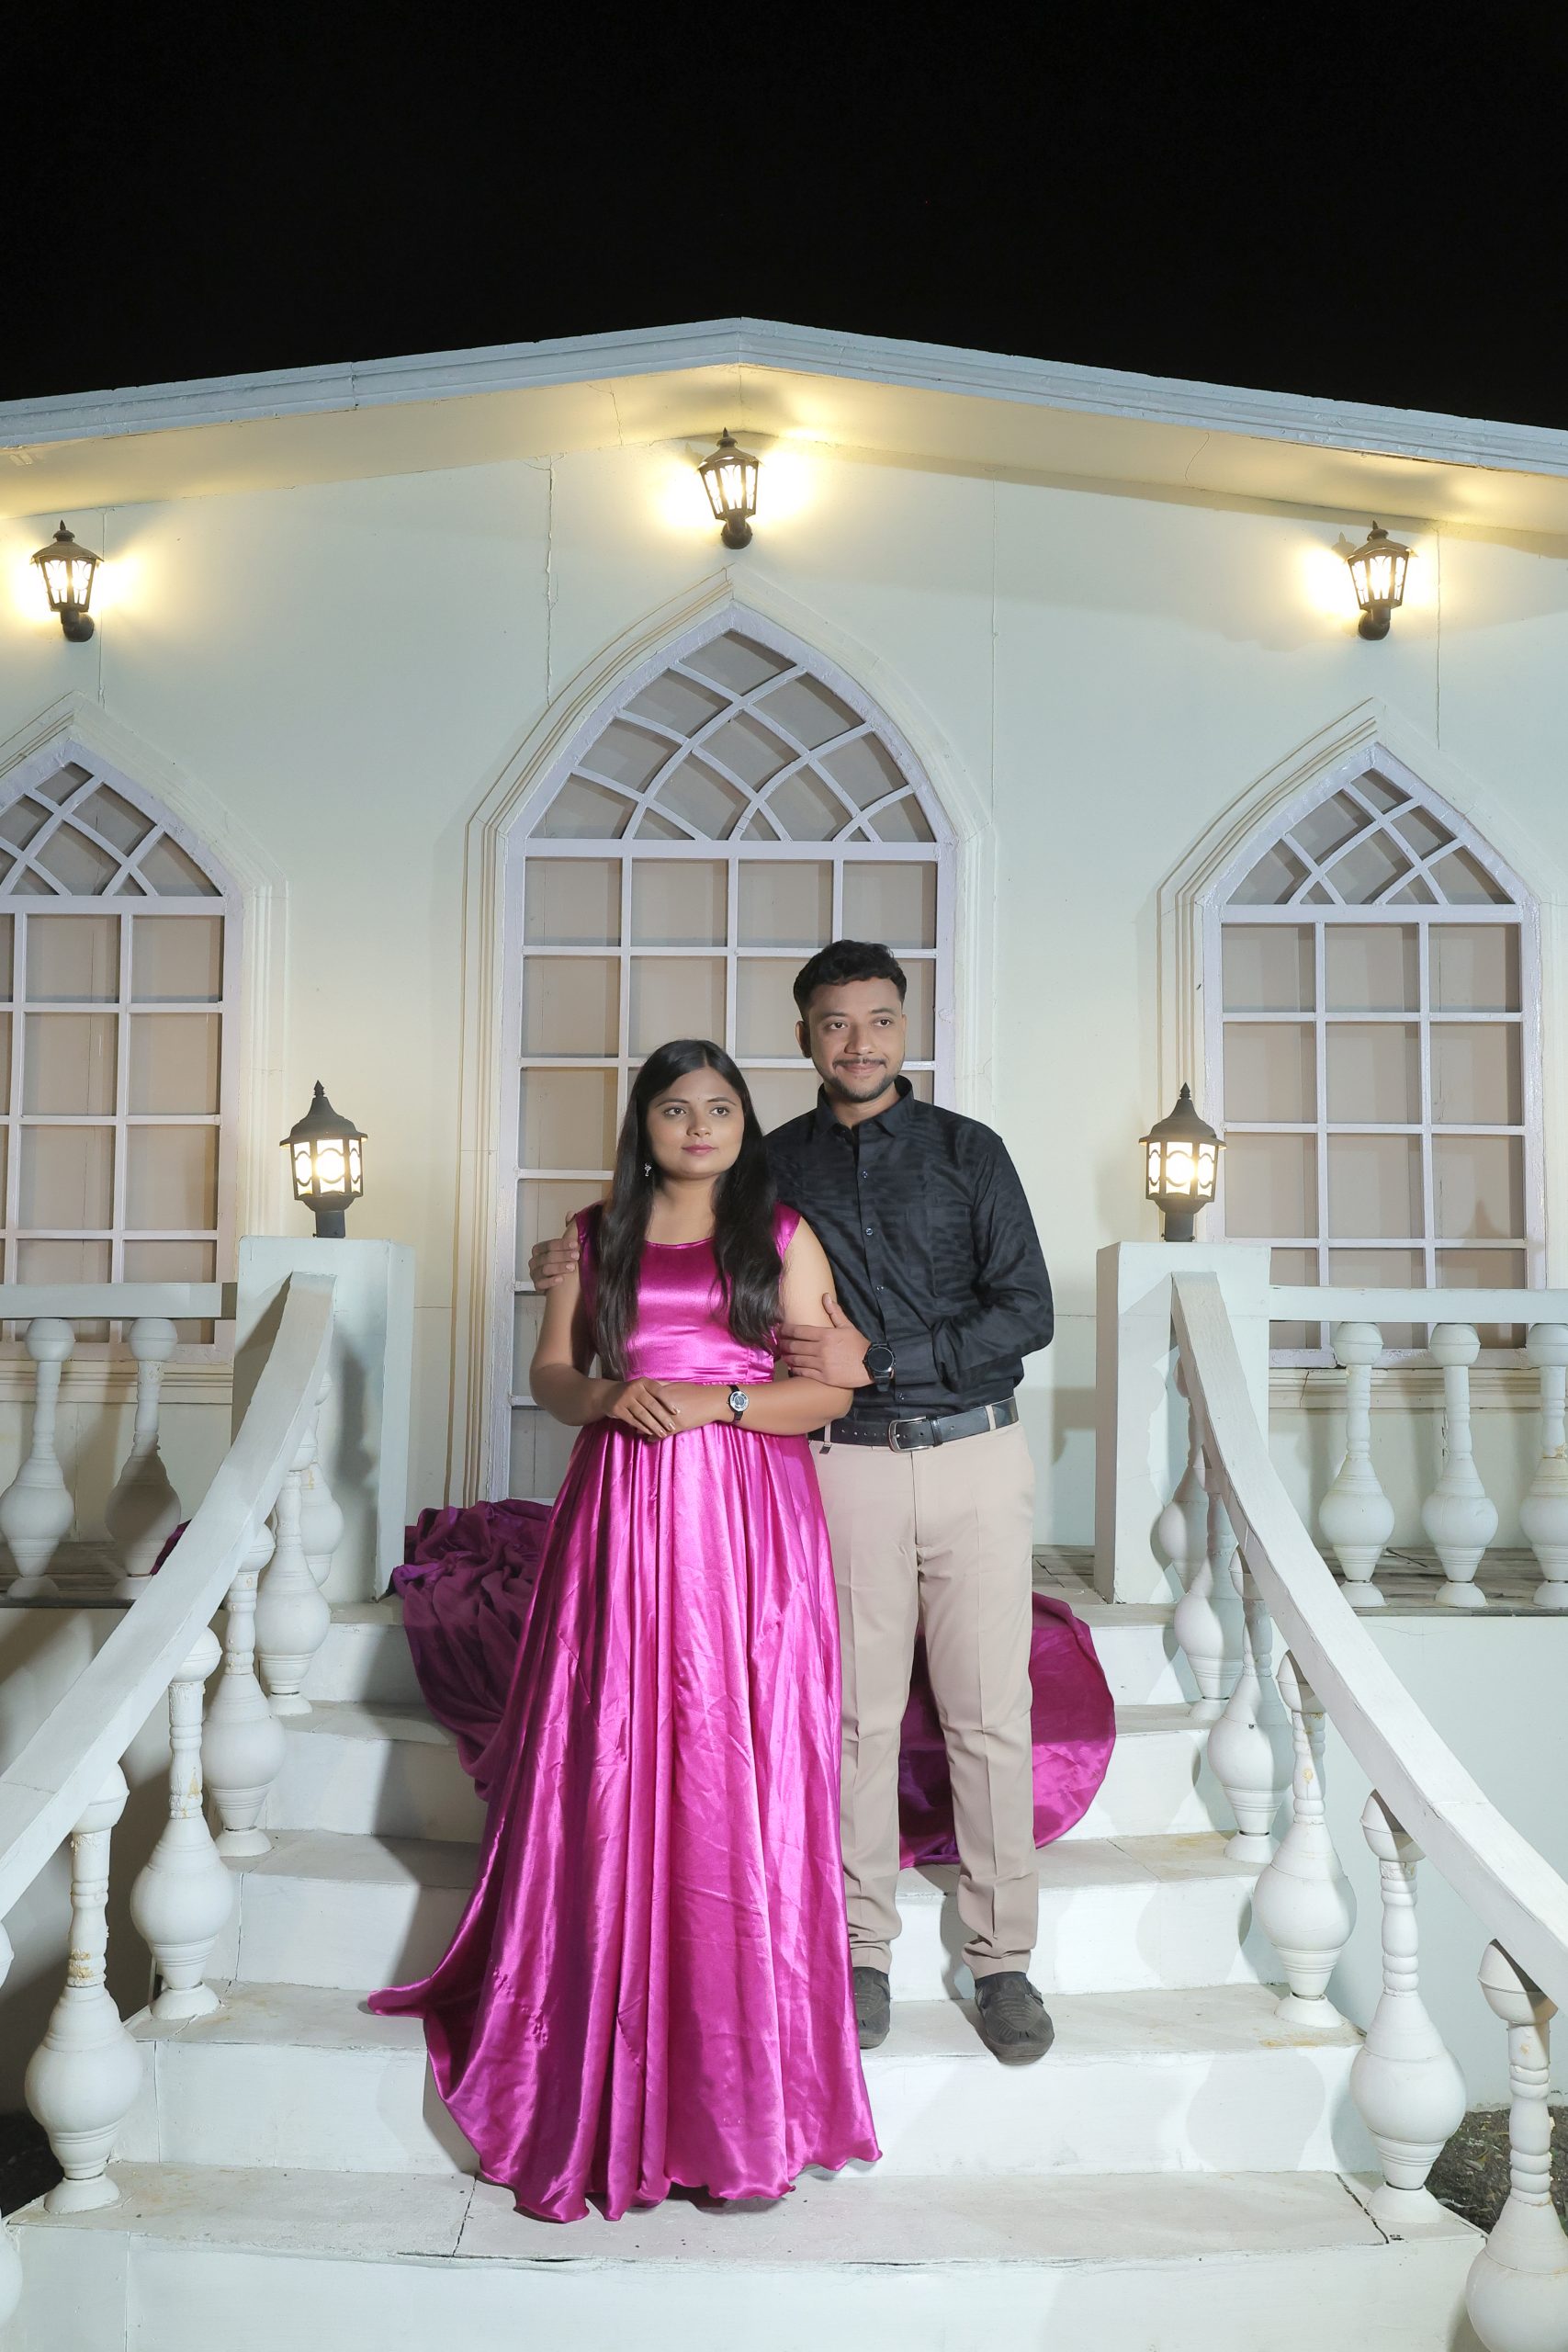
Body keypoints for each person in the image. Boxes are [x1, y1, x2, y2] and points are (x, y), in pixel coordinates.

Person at [373, 1040, 880, 2221]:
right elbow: (554, 1372)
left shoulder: (781, 1234)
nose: (699, 1127)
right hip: (625, 1509)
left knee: (739, 1762)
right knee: (618, 1749)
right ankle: (601, 2049)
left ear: (745, 1123)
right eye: (675, 1108)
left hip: (750, 1518)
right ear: (642, 1124)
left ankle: (743, 2101)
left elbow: (831, 1390)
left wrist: (723, 1399)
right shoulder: (590, 1234)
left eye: (721, 1107)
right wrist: (605, 1394)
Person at [532, 941, 1056, 2066]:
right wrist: (572, 1254)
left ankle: (1003, 1960)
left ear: (905, 1026)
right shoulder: (772, 1169)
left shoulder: (970, 1151)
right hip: (841, 1462)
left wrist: (888, 1356)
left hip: (973, 1450)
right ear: (805, 1036)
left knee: (987, 1713)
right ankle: (860, 1951)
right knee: (853, 1716)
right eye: (835, 1023)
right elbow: (670, 1229)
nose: (859, 1043)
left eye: (879, 1020)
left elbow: (1027, 1311)